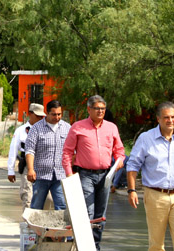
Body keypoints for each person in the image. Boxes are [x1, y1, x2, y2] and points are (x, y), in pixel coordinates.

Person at [126, 101, 174, 251]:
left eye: (173, 117)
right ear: (158, 119)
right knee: (156, 242)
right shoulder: (146, 139)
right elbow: (133, 165)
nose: (170, 120)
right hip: (155, 196)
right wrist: (131, 190)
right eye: (166, 117)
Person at [62, 95, 125, 250]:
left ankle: (95, 245)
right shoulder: (78, 127)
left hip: (105, 175)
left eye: (103, 109)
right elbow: (67, 152)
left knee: (100, 214)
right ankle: (84, 246)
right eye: (97, 108)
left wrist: (119, 161)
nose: (100, 111)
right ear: (89, 109)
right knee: (87, 212)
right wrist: (69, 173)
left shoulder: (111, 127)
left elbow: (120, 150)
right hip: (85, 175)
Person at [25, 100, 71, 210]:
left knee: (62, 206)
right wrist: (31, 169)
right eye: (53, 114)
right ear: (47, 112)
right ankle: (33, 227)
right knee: (37, 205)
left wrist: (71, 170)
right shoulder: (36, 128)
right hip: (41, 175)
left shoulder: (67, 128)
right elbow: (30, 150)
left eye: (59, 114)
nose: (57, 117)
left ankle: (61, 227)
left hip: (60, 175)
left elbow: (71, 151)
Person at [7, 103, 46, 209]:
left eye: (41, 116)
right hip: (27, 166)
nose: (39, 118)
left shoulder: (46, 129)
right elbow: (13, 150)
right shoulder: (21, 131)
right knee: (27, 195)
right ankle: (27, 223)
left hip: (44, 166)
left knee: (47, 198)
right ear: (30, 114)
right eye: (37, 116)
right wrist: (10, 171)